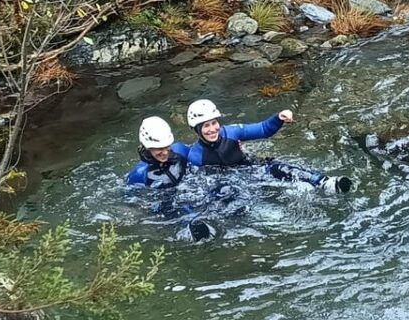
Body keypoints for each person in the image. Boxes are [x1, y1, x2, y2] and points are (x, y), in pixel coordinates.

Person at [185, 99, 352, 193]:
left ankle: (324, 182)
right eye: (206, 126)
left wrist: (279, 118)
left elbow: (263, 129)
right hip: (230, 182)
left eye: (214, 123)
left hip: (253, 169)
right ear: (196, 129)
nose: (212, 129)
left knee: (281, 168)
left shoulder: (232, 132)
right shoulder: (195, 156)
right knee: (226, 193)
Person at [126, 116, 213, 240]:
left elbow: (201, 157)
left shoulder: (179, 151)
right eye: (160, 148)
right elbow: (134, 202)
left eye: (167, 146)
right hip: (165, 204)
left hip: (189, 191)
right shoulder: (139, 174)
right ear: (147, 147)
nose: (165, 152)